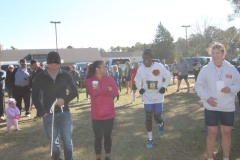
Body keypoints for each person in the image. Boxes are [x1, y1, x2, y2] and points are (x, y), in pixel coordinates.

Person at [195, 43, 240, 160]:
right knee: (212, 131)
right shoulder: (205, 69)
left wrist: (230, 89)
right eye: (213, 53)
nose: (215, 56)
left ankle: (226, 157)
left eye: (218, 53)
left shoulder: (231, 68)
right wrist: (207, 98)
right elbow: (198, 86)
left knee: (226, 132)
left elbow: (238, 83)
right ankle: (210, 157)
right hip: (211, 107)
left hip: (227, 107)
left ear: (223, 53)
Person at [32, 51, 78, 160]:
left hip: (64, 113)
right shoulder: (40, 77)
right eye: (51, 65)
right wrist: (42, 111)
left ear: (60, 64)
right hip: (48, 115)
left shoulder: (66, 75)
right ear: (47, 64)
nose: (53, 67)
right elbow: (35, 95)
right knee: (54, 142)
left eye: (56, 65)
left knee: (67, 140)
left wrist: (64, 100)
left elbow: (74, 92)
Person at [134, 49, 171, 149]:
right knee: (148, 118)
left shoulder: (159, 66)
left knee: (157, 117)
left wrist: (164, 86)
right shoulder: (140, 69)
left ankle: (161, 123)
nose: (146, 60)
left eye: (148, 58)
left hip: (158, 96)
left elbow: (168, 76)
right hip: (147, 97)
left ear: (151, 58)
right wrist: (140, 89)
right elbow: (137, 81)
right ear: (143, 59)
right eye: (144, 58)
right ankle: (150, 138)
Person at [86, 60, 118, 160]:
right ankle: (98, 157)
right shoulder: (89, 80)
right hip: (97, 115)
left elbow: (116, 92)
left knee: (107, 136)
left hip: (109, 114)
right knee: (98, 137)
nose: (106, 68)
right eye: (104, 66)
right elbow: (93, 93)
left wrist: (101, 89)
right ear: (97, 69)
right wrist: (107, 89)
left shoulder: (109, 78)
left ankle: (107, 156)